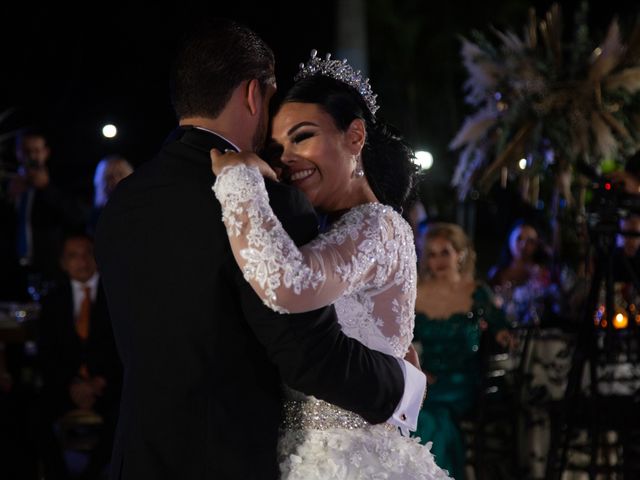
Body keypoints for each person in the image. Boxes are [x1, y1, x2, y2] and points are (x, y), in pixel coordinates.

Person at [95, 20, 425, 480]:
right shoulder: (263, 199)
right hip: (233, 459)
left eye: (301, 137)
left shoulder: (124, 201)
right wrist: (407, 385)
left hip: (138, 456)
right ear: (254, 95)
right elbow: (308, 355)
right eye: (276, 127)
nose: (284, 158)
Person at [210, 50, 449, 479]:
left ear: (355, 136)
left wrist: (238, 179)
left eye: (302, 137)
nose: (286, 158)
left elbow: (289, 283)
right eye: (276, 147)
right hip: (296, 457)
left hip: (352, 463)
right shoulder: (326, 231)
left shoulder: (378, 224)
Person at [411, 223, 511, 479]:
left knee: (432, 416)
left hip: (463, 381)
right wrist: (418, 371)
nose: (438, 260)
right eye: (432, 254)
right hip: (426, 381)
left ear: (460, 254)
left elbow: (502, 326)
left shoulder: (476, 293)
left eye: (445, 252)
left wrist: (502, 334)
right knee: (418, 412)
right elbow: (399, 340)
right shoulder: (415, 293)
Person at [37, 233, 121, 479]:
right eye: (73, 256)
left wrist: (100, 381)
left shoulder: (115, 296)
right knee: (36, 414)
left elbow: (124, 348)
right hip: (66, 384)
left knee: (125, 414)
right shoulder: (53, 300)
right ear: (63, 263)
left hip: (107, 384)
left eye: (87, 254)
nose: (82, 261)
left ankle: (92, 475)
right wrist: (73, 383)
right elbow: (47, 353)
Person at [87, 154, 133, 235]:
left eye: (120, 174)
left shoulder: (138, 207)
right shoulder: (97, 215)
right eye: (109, 177)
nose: (116, 180)